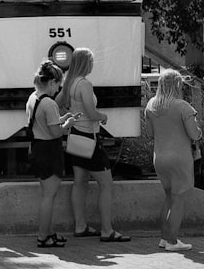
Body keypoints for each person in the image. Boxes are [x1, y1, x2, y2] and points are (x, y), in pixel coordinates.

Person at [56, 47, 130, 242]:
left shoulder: (69, 83)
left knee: (79, 181)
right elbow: (91, 112)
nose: (93, 65)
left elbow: (57, 103)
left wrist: (70, 114)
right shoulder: (85, 84)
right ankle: (107, 230)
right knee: (106, 184)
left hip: (75, 135)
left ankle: (80, 226)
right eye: (91, 61)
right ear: (86, 63)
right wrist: (103, 116)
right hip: (89, 136)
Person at [144, 69, 201, 252]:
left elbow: (149, 134)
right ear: (178, 85)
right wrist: (199, 131)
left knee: (168, 197)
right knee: (178, 199)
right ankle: (173, 241)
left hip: (159, 157)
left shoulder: (152, 105)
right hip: (180, 158)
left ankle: (164, 238)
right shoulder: (183, 106)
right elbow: (194, 134)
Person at [27, 60, 79, 248]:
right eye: (58, 84)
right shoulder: (49, 103)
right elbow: (56, 132)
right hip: (50, 150)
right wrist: (67, 124)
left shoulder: (33, 97)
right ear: (51, 82)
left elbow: (43, 123)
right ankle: (43, 236)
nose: (59, 88)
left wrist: (60, 120)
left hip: (38, 147)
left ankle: (48, 232)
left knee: (47, 193)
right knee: (49, 195)